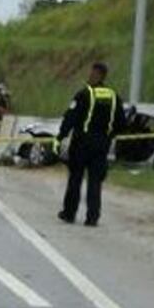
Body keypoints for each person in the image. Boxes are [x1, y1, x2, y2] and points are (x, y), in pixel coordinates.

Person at [56, 62, 127, 228]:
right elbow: (121, 123)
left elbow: (70, 118)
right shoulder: (113, 96)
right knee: (95, 181)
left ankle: (69, 213)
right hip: (101, 145)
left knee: (75, 178)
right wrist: (109, 136)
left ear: (99, 75)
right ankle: (92, 217)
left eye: (92, 73)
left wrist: (61, 137)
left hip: (81, 144)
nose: (89, 76)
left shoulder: (84, 94)